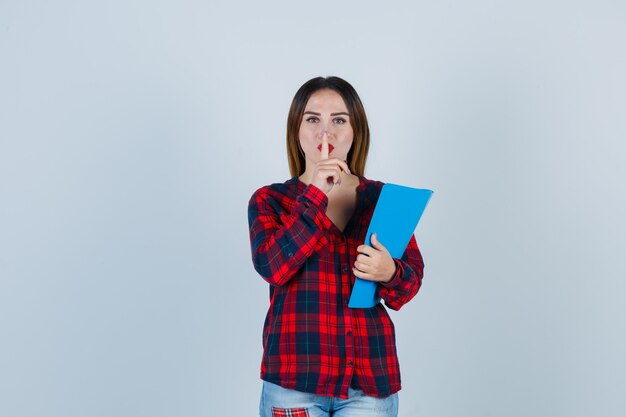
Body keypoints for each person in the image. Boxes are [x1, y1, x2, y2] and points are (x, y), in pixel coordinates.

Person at [247, 76, 425, 417]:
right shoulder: (270, 200)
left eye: (338, 120)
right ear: (296, 130)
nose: (324, 133)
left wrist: (390, 272)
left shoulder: (385, 200)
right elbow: (273, 267)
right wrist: (314, 195)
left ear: (355, 130)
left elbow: (409, 285)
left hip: (369, 386)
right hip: (293, 385)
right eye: (312, 119)